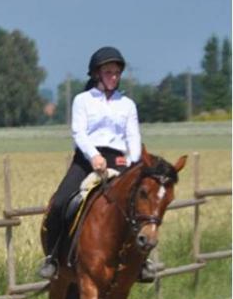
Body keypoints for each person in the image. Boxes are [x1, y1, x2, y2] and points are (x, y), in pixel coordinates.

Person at [39, 46, 155, 282]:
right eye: (109, 72)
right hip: (87, 159)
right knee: (61, 202)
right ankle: (52, 258)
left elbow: (133, 137)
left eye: (116, 72)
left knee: (142, 207)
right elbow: (78, 132)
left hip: (119, 160)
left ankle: (142, 261)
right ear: (96, 74)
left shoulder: (127, 105)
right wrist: (93, 156)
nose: (114, 76)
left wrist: (133, 165)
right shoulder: (82, 100)